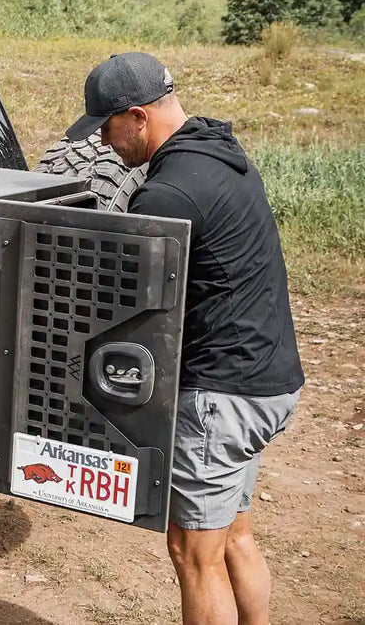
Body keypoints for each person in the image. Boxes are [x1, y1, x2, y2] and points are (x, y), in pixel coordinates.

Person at [65, 53, 305, 625]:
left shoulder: (168, 195)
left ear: (138, 117)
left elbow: (121, 305)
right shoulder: (220, 155)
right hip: (268, 378)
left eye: (107, 127)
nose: (104, 142)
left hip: (221, 399)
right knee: (233, 536)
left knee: (193, 554)